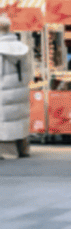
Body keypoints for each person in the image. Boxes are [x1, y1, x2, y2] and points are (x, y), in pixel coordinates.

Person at [0, 15, 32, 158]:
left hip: (4, 92)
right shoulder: (22, 47)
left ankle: (8, 151)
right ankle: (23, 148)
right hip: (19, 89)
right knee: (19, 118)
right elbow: (30, 71)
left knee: (4, 121)